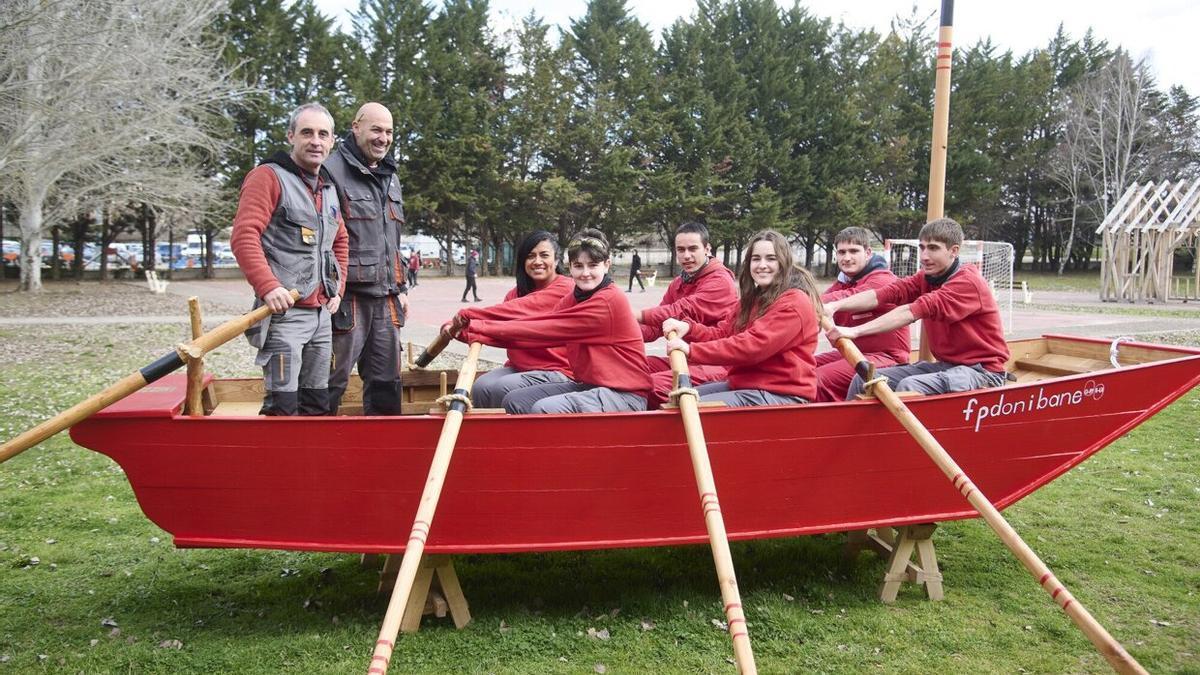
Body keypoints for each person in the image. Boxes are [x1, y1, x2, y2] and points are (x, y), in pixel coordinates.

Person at [231, 103, 348, 416]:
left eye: (323, 134)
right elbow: (244, 237)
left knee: (317, 402)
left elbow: (340, 240)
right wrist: (268, 287)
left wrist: (337, 287)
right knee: (283, 406)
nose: (316, 141)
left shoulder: (328, 186)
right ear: (291, 136)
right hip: (284, 316)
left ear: (333, 141)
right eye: (307, 132)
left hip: (321, 316)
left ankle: (312, 464)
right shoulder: (267, 177)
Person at [457, 229, 651, 414]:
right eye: (578, 266)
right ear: (569, 267)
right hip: (591, 385)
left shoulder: (608, 300)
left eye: (593, 265)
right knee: (515, 401)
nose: (585, 273)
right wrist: (470, 333)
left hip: (625, 395)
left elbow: (545, 330)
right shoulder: (574, 298)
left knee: (545, 408)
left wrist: (477, 326)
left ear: (607, 265)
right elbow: (536, 333)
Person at [825, 218, 1010, 398]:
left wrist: (854, 331)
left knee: (911, 386)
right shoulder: (926, 277)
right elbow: (884, 294)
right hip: (948, 365)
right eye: (921, 247)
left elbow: (912, 311)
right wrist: (834, 306)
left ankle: (895, 430)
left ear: (954, 251)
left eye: (933, 248)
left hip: (983, 372)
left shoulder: (967, 283)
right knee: (863, 379)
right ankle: (854, 429)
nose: (924, 256)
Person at [663, 230, 820, 407]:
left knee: (690, 407)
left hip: (782, 393)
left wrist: (691, 350)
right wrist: (689, 328)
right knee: (676, 402)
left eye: (771, 258)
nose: (762, 265)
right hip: (749, 385)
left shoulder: (794, 302)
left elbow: (752, 347)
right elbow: (724, 332)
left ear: (784, 263)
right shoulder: (753, 298)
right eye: (756, 259)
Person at [323, 102, 409, 416]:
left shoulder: (391, 175)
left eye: (388, 132)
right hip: (348, 299)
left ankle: (386, 455)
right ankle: (313, 449)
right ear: (355, 127)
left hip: (387, 298)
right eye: (376, 129)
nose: (383, 138)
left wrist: (402, 289)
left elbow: (393, 240)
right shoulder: (330, 170)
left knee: (388, 382)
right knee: (330, 380)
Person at [445, 231, 575, 407]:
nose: (537, 262)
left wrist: (468, 316)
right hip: (520, 367)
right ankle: (489, 434)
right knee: (480, 387)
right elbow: (499, 330)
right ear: (523, 261)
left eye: (544, 255)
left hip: (558, 370)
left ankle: (515, 433)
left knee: (502, 388)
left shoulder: (566, 288)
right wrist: (458, 331)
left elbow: (521, 309)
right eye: (530, 256)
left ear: (557, 260)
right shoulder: (514, 294)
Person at [637, 221, 737, 406]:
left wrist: (632, 315)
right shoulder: (679, 283)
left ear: (707, 249)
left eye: (693, 249)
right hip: (686, 358)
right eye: (681, 250)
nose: (687, 256)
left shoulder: (720, 281)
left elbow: (681, 309)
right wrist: (614, 330)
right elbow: (654, 327)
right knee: (632, 367)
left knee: (652, 385)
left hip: (717, 363)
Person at [813, 227, 910, 402]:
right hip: (855, 354)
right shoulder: (843, 284)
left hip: (887, 357)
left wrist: (805, 301)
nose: (847, 257)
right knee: (804, 367)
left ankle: (821, 425)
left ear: (868, 253)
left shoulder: (883, 280)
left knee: (818, 380)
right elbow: (824, 299)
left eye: (853, 251)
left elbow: (844, 298)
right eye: (841, 252)